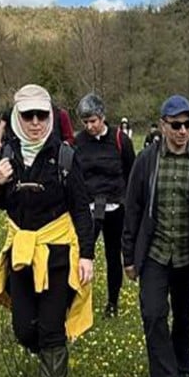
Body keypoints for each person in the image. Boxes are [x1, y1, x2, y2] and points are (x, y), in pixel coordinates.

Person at [0, 84, 96, 377]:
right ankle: (54, 357)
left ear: (51, 117)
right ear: (17, 119)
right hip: (23, 253)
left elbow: (81, 208)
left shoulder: (65, 156)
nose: (35, 122)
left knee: (50, 327)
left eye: (42, 115)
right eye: (28, 116)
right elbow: (3, 203)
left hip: (59, 255)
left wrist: (88, 256)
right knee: (23, 328)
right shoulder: (8, 154)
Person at [122, 95, 189, 377]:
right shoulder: (147, 160)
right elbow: (132, 207)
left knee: (184, 316)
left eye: (188, 125)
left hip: (188, 256)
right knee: (153, 313)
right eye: (176, 125)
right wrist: (128, 256)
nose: (182, 131)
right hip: (156, 253)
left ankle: (183, 371)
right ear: (163, 126)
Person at [73, 92, 136, 319]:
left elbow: (131, 173)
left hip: (115, 207)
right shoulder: (78, 143)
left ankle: (112, 302)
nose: (90, 126)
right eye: (86, 122)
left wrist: (127, 202)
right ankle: (78, 302)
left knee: (113, 256)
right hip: (88, 208)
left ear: (102, 117)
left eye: (93, 121)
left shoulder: (121, 140)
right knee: (82, 253)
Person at [0, 100, 74, 149]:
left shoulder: (60, 114)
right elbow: (2, 126)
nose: (35, 122)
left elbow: (70, 138)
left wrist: (63, 148)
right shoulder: (11, 112)